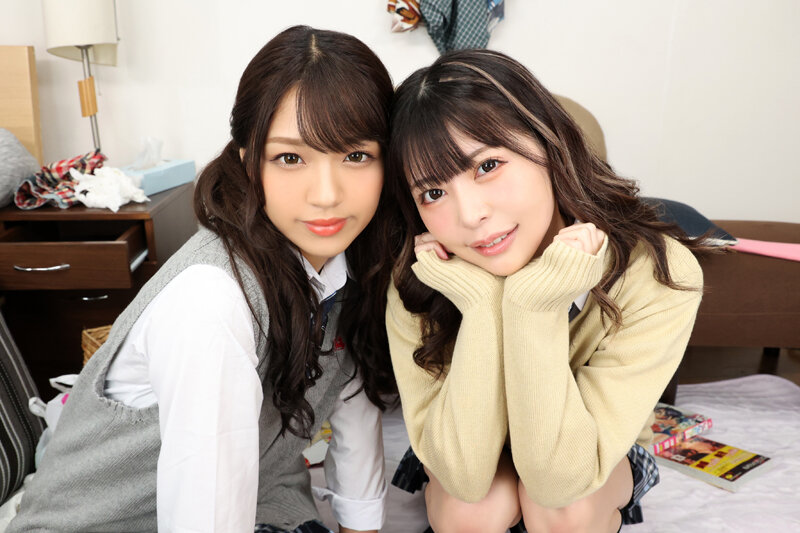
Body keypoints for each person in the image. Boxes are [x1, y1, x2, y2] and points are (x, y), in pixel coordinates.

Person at [9, 26, 399, 533]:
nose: (327, 194)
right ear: (247, 162)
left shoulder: (352, 264)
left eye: (356, 156)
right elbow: (206, 513)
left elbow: (353, 409)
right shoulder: (212, 302)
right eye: (290, 158)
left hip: (267, 501)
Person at [384, 49, 706, 533]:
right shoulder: (422, 277)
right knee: (473, 508)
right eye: (433, 193)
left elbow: (560, 481)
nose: (470, 215)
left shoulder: (655, 271)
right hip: (462, 449)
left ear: (548, 143)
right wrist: (481, 305)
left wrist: (533, 304)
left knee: (561, 510)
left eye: (488, 165)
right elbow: (464, 476)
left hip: (588, 456)